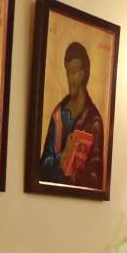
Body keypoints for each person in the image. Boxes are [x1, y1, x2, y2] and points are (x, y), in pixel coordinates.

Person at [37, 40, 106, 189]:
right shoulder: (59, 115)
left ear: (83, 74)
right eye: (68, 72)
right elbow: (43, 166)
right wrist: (61, 159)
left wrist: (75, 168)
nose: (70, 79)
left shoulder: (93, 120)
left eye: (74, 72)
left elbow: (96, 175)